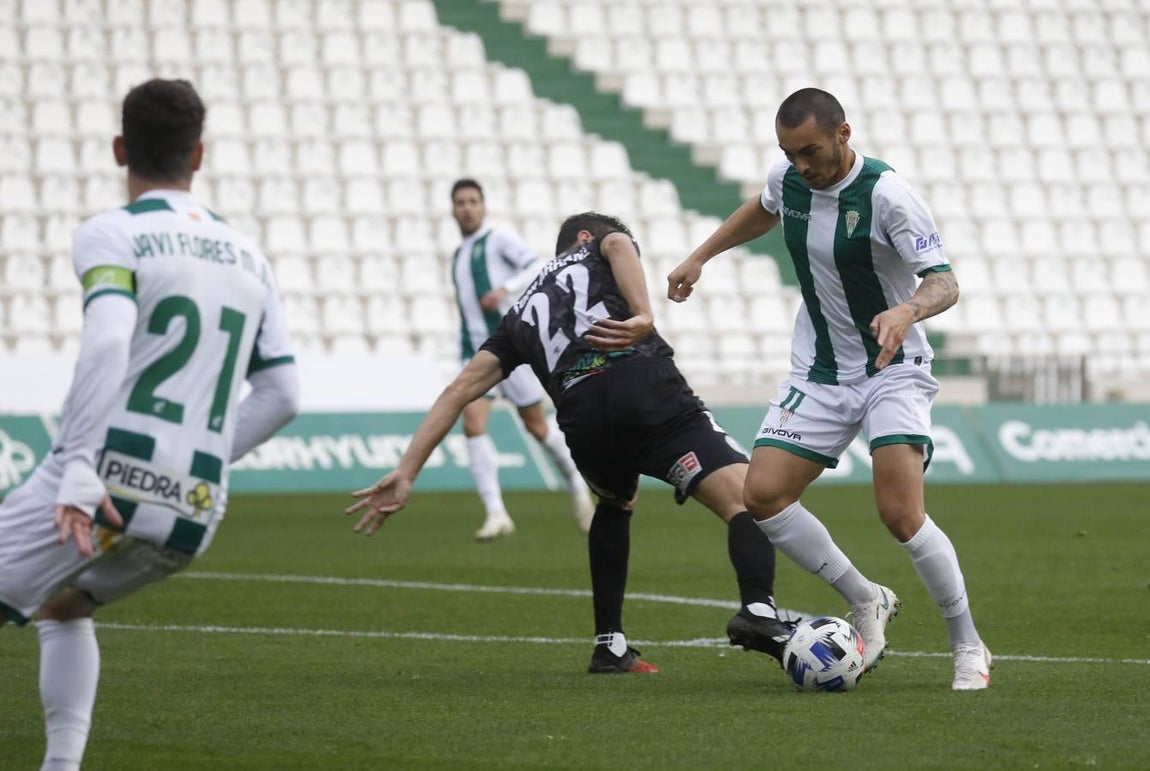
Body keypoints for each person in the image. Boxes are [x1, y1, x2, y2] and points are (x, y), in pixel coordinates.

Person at [0, 78, 301, 769]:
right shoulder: (251, 257)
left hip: (99, 480)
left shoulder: (115, 232)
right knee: (65, 607)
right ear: (198, 155)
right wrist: (195, 456)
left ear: (117, 149)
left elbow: (107, 339)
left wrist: (78, 460)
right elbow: (283, 393)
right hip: (193, 506)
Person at [349, 212, 794, 674]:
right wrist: (643, 314)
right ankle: (759, 610)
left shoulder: (520, 311)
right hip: (643, 391)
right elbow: (619, 243)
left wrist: (407, 471)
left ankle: (609, 644)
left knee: (616, 503)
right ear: (583, 238)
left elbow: (458, 390)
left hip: (584, 423)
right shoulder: (597, 247)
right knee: (748, 497)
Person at [667, 88, 991, 690]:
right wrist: (701, 256)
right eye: (790, 154)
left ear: (844, 134)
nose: (802, 166)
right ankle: (867, 598)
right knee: (761, 495)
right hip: (818, 370)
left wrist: (907, 311)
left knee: (900, 515)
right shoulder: (790, 178)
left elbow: (944, 282)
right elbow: (765, 207)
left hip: (892, 367)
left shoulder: (889, 196)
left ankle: (968, 644)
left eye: (811, 151)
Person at [448, 179, 593, 540]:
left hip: (511, 348)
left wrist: (505, 289)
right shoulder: (459, 254)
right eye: (461, 202)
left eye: (472, 201)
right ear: (453, 209)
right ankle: (496, 513)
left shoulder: (497, 238)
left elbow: (537, 266)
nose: (467, 208)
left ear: (483, 206)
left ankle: (578, 484)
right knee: (472, 422)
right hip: (476, 351)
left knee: (537, 426)